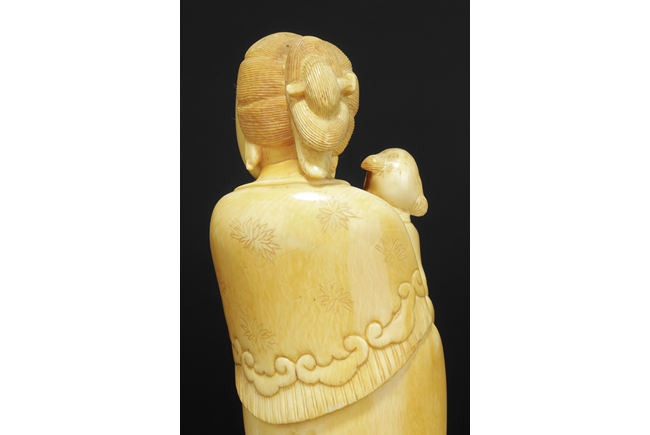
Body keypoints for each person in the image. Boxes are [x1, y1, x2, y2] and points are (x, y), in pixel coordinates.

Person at [210, 32, 446, 434]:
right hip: (391, 403)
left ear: (248, 125)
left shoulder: (225, 219)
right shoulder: (371, 215)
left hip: (268, 410)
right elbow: (417, 324)